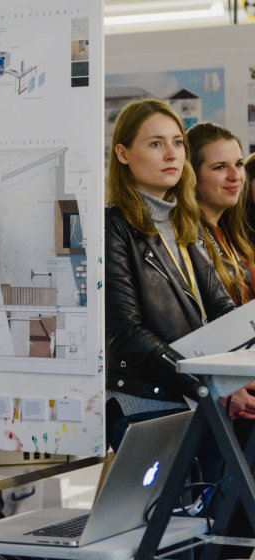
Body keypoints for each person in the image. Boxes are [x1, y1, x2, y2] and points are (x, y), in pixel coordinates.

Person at [104, 99, 235, 453]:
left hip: (198, 399)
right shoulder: (113, 226)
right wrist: (207, 385)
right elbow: (127, 334)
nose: (171, 154)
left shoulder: (182, 222)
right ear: (123, 153)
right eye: (155, 143)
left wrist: (235, 379)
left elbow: (222, 311)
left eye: (178, 143)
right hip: (148, 405)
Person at [188, 123, 255, 558]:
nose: (234, 176)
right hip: (214, 408)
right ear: (193, 175)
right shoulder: (188, 239)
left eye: (237, 165)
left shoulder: (233, 237)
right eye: (219, 167)